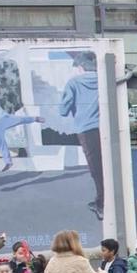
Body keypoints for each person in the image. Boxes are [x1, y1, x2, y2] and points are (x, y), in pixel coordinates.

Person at [58, 52, 105, 218]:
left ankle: (102, 205)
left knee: (96, 168)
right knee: (106, 167)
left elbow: (63, 110)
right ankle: (103, 200)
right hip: (105, 128)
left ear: (79, 67)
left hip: (86, 129)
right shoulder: (103, 80)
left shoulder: (74, 83)